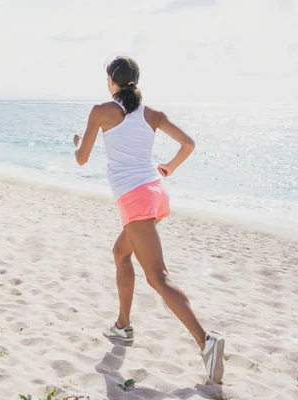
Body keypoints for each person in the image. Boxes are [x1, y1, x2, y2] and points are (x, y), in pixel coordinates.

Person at [73, 56, 224, 384]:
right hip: (155, 193)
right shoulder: (152, 114)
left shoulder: (102, 111)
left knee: (158, 277)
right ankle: (122, 326)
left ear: (112, 79)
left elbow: (82, 159)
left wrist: (77, 145)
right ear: (135, 81)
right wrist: (170, 166)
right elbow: (188, 144)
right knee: (120, 253)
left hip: (136, 199)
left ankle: (205, 341)